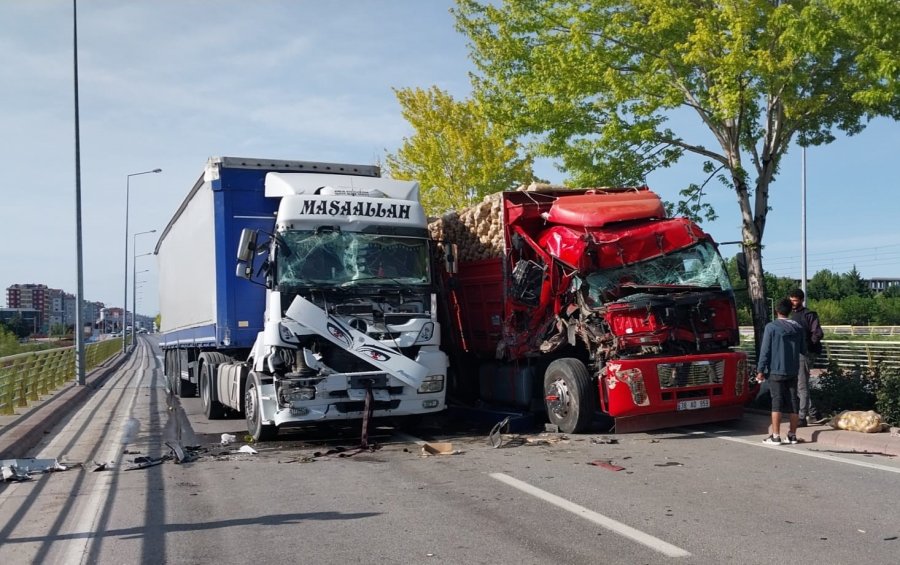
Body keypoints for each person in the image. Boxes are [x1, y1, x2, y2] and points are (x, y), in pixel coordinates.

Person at [756, 298, 806, 445]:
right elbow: (803, 349)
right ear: (790, 311)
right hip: (792, 369)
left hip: (776, 370)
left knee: (776, 402)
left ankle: (776, 436)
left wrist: (760, 370)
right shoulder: (798, 328)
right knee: (793, 401)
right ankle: (792, 435)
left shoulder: (771, 327)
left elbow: (765, 350)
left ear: (777, 311)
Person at [788, 288, 826, 426]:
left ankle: (802, 417)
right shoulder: (790, 314)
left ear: (802, 300)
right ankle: (814, 413)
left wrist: (808, 348)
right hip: (792, 353)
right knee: (798, 386)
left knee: (801, 386)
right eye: (791, 300)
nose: (793, 303)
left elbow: (818, 333)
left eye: (795, 300)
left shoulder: (808, 315)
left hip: (803, 353)